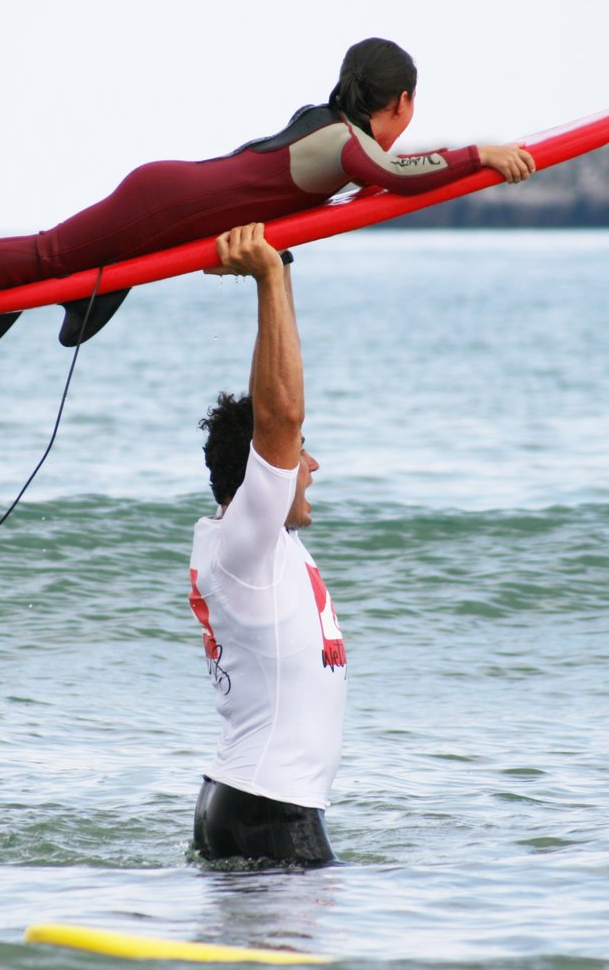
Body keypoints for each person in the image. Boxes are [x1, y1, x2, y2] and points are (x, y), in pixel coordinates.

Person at [0, 37, 534, 360]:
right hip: (163, 202)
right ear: (404, 100)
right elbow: (402, 175)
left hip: (172, 209)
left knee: (61, 270)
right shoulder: (347, 144)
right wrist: (481, 154)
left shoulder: (335, 131)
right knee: (49, 253)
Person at [185, 222, 343, 866]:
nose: (312, 465)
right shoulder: (246, 543)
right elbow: (280, 417)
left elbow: (275, 411)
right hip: (267, 811)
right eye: (300, 456)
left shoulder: (256, 541)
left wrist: (281, 268)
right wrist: (267, 280)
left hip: (248, 800)